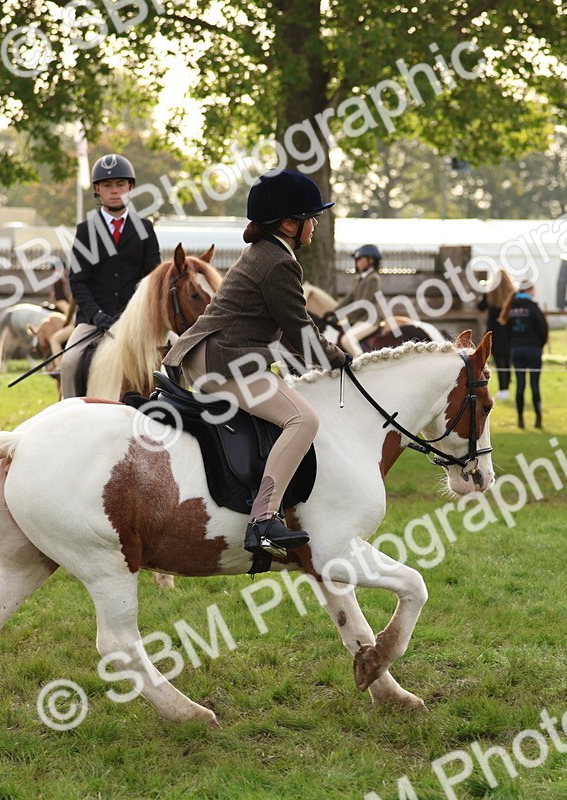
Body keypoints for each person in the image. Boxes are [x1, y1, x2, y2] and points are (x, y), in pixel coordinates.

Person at [164, 170, 350, 559]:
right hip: (224, 360)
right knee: (304, 420)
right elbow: (298, 331)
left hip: (208, 353)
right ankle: (262, 520)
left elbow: (286, 331)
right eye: (311, 216)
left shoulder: (266, 254)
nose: (315, 223)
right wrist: (342, 360)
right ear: (288, 223)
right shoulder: (279, 262)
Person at [60, 153, 161, 398]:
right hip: (94, 320)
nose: (114, 191)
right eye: (107, 185)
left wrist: (133, 315)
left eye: (120, 185)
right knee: (70, 362)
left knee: (170, 360)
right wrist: (96, 315)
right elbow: (78, 280)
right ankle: (71, 412)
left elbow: (152, 279)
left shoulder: (145, 228)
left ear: (130, 187)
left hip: (135, 322)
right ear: (97, 189)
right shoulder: (85, 231)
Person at [501, 278, 548, 429]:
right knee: (535, 385)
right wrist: (539, 345)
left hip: (517, 350)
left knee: (520, 385)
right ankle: (538, 418)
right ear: (529, 291)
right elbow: (543, 329)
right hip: (533, 350)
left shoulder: (511, 308)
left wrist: (514, 344)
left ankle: (520, 419)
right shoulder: (533, 308)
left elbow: (506, 331)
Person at [325, 244, 384, 353]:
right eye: (357, 260)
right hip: (359, 318)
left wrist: (343, 315)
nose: (357, 262)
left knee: (347, 340)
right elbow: (349, 298)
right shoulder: (357, 279)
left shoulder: (373, 279)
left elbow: (364, 303)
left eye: (360, 259)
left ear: (371, 260)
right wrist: (335, 311)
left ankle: (363, 366)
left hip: (370, 318)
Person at [476, 268, 515, 400]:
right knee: (507, 361)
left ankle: (503, 389)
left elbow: (480, 307)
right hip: (509, 330)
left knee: (499, 361)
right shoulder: (512, 293)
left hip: (494, 332)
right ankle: (506, 388)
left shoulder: (490, 292)